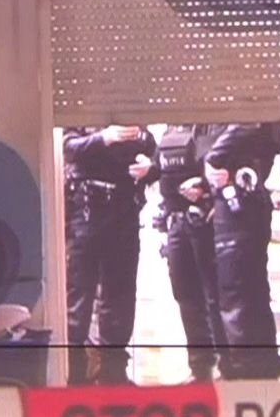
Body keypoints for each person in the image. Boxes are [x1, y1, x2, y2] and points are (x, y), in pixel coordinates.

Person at [62, 125, 158, 385]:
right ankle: (74, 374)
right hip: (87, 209)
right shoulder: (81, 114)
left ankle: (114, 372)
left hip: (125, 209)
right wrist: (103, 138)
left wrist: (149, 168)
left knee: (120, 294)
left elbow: (155, 154)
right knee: (79, 293)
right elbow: (68, 147)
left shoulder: (135, 120)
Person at [205, 122, 280, 380]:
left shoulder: (245, 113)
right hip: (237, 203)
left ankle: (248, 369)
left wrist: (213, 158)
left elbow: (250, 121)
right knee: (250, 289)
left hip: (242, 204)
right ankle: (258, 366)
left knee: (238, 289)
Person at [154, 124, 225, 381]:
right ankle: (200, 367)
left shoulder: (209, 124)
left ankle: (227, 366)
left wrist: (206, 188)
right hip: (176, 221)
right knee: (186, 295)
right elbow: (158, 167)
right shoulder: (170, 129)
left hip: (206, 220)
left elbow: (223, 164)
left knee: (215, 296)